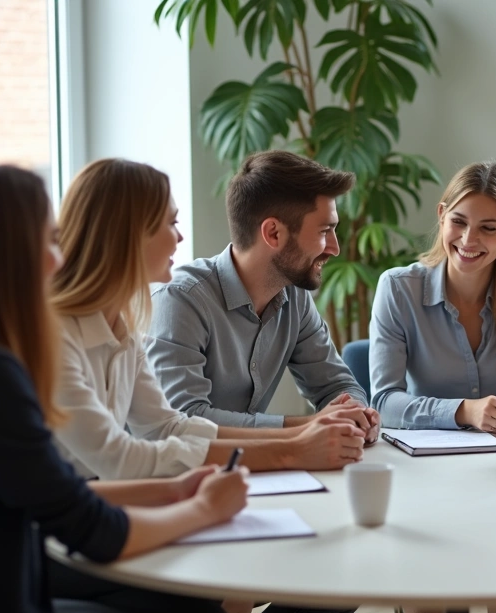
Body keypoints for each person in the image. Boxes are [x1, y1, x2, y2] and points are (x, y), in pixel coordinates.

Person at [0, 160, 250, 613]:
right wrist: (204, 510)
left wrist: (174, 490)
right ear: (6, 256)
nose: (59, 260)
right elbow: (89, 529)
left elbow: (53, 496)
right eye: (49, 241)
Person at [49, 158, 356, 613]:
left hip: (112, 505)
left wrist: (329, 425)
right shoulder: (54, 332)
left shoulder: (124, 322)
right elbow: (119, 457)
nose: (180, 237)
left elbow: (168, 426)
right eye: (169, 223)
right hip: (50, 533)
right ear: (126, 234)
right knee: (213, 602)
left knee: (334, 568)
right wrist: (291, 445)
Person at [369, 161, 496, 613]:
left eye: (488, 228)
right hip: (424, 471)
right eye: (459, 221)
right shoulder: (399, 288)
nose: (469, 239)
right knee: (422, 534)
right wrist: (465, 411)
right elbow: (385, 400)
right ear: (441, 217)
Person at [146, 151, 379, 462]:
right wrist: (306, 427)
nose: (335, 248)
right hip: (171, 484)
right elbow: (185, 421)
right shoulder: (180, 301)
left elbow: (336, 384)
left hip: (247, 476)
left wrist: (356, 414)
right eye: (325, 231)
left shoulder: (294, 296)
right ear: (273, 233)